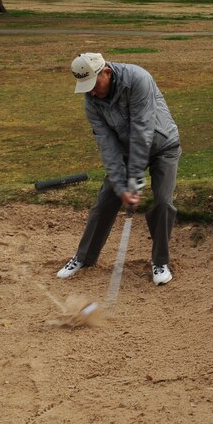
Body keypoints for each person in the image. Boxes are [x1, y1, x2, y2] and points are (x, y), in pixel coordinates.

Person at [57, 53, 181, 285]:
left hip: (163, 145)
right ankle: (84, 257)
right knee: (105, 201)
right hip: (125, 151)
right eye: (85, 87)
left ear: (106, 72)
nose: (91, 91)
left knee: (163, 202)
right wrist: (121, 183)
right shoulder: (91, 102)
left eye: (93, 84)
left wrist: (134, 180)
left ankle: (160, 261)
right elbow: (108, 146)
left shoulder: (138, 79)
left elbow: (142, 131)